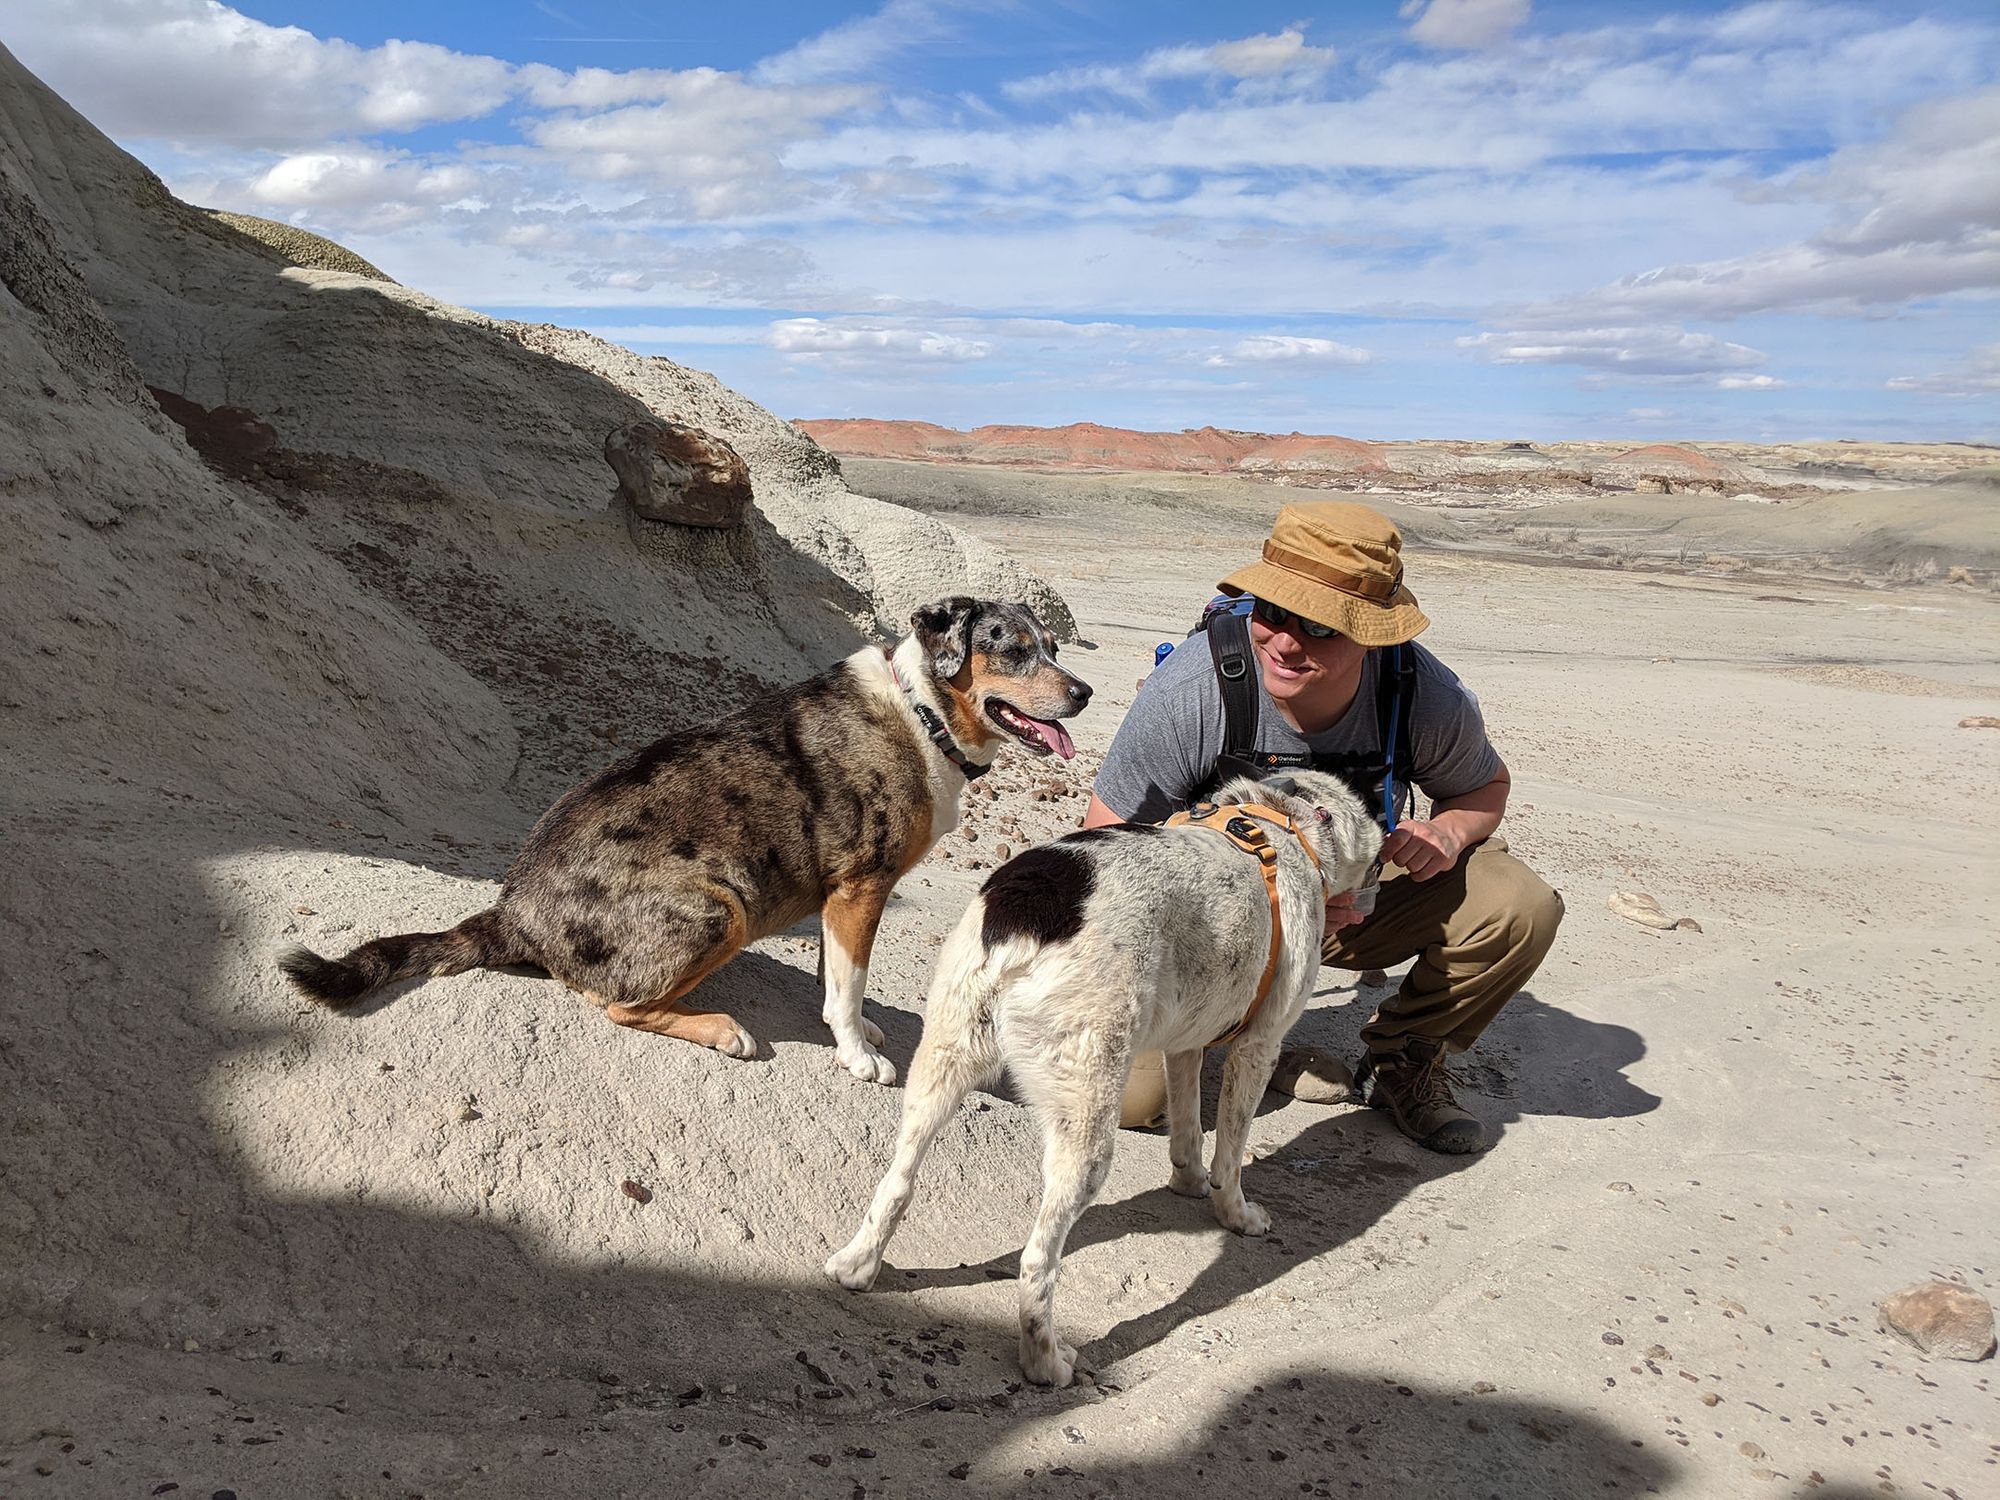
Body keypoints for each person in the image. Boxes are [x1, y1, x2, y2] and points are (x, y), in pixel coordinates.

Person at [1081, 501, 1563, 1154]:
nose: (1285, 641)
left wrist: (1446, 836)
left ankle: (1405, 1057)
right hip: (1211, 924)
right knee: (1133, 1104)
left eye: (1319, 625)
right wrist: (1266, 908)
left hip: (1358, 910)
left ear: (1373, 633)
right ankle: (1229, 1025)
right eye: (1271, 612)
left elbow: (1484, 788)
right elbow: (1105, 850)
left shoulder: (1423, 695)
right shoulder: (1189, 691)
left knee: (1519, 905)